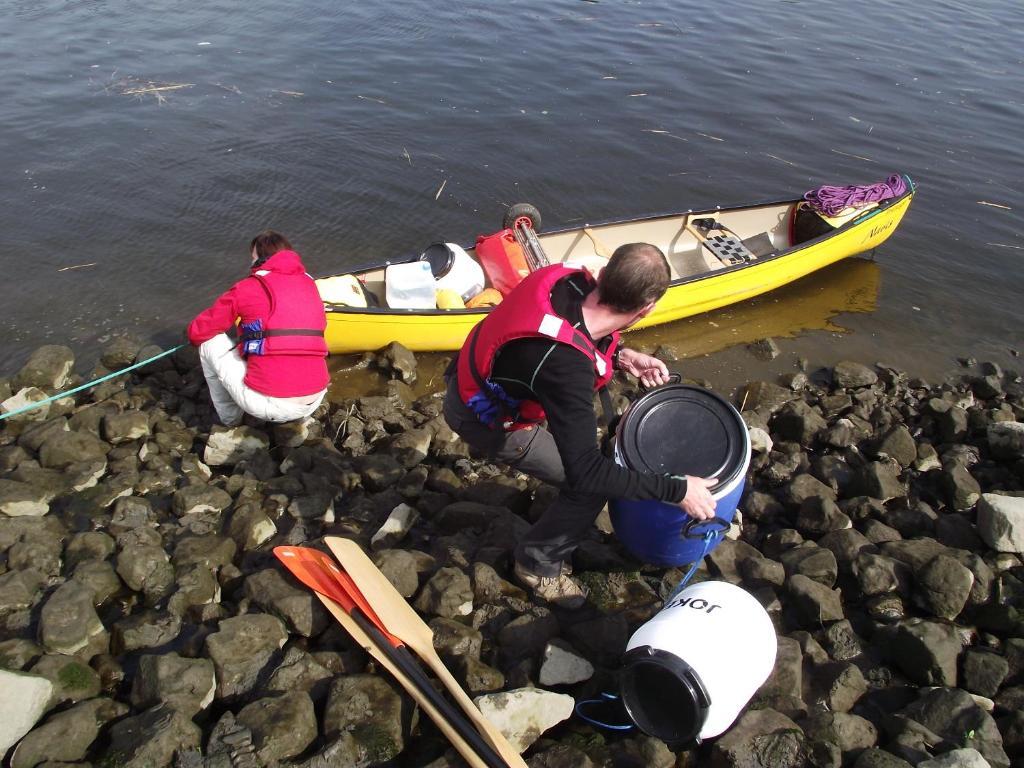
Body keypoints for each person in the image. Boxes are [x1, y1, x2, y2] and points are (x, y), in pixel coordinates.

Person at [443, 243, 717, 608]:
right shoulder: (566, 369)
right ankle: (535, 566)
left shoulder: (561, 281)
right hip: (484, 417)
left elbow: (574, 328)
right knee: (587, 487)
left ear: (602, 275)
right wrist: (678, 491)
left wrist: (621, 356)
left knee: (587, 452)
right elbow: (586, 473)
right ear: (647, 309)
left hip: (474, 369)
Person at [188, 230, 329, 427]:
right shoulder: (310, 284)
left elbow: (200, 331)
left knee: (209, 342)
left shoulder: (247, 287)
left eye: (252, 257)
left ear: (259, 259)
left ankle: (229, 422)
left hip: (272, 406)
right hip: (316, 397)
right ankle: (301, 420)